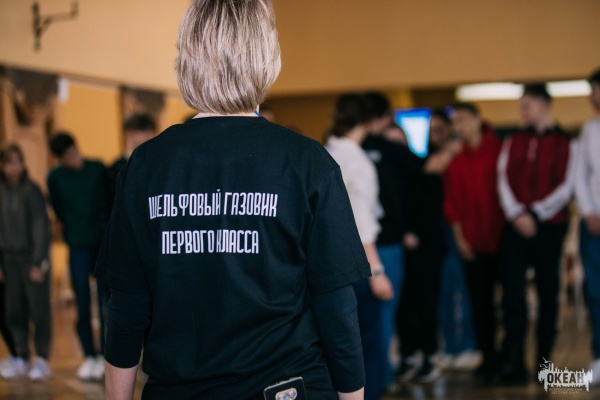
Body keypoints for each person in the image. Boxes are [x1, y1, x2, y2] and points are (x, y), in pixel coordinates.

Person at [96, 1, 368, 399]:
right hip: (287, 387)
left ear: (188, 55)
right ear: (265, 56)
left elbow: (126, 309)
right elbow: (337, 308)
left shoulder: (146, 165)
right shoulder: (306, 162)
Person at [495, 83, 578, 383]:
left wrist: (537, 213)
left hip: (549, 228)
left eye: (527, 106)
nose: (523, 112)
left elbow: (567, 185)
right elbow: (502, 177)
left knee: (547, 295)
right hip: (515, 227)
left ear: (544, 105)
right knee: (512, 295)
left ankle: (544, 364)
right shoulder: (513, 140)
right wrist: (516, 213)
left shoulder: (566, 142)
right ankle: (515, 361)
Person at [326, 93, 394, 400]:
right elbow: (360, 221)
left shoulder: (326, 152)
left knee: (341, 343)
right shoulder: (356, 159)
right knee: (368, 342)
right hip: (356, 263)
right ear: (368, 121)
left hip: (329, 265)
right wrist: (376, 270)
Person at [445, 103, 505, 380]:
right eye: (455, 122)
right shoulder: (456, 158)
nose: (459, 127)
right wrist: (460, 239)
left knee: (511, 301)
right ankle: (488, 357)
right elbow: (452, 202)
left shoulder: (500, 149)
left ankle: (511, 354)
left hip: (503, 239)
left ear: (477, 119)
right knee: (480, 303)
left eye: (463, 120)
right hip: (472, 241)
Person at [394, 110, 453, 383]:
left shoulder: (423, 166)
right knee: (406, 305)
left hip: (429, 245)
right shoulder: (396, 173)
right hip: (403, 246)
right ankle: (409, 354)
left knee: (428, 303)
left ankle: (430, 353)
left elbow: (431, 208)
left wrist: (414, 232)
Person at [47, 132, 108, 381]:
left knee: (105, 302)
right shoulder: (55, 178)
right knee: (81, 301)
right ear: (60, 159)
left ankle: (105, 354)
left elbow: (107, 200)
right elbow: (58, 209)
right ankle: (89, 355)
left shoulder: (97, 169)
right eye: (68, 157)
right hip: (77, 245)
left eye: (74, 152)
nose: (74, 158)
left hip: (101, 243)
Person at [0, 144, 51, 380]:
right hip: (9, 259)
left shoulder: (31, 190)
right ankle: (20, 355)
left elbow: (41, 226)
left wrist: (38, 261)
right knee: (14, 311)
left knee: (39, 311)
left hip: (31, 258)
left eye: (17, 161)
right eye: (9, 162)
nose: (14, 167)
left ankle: (42, 358)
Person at [575, 68, 600, 385]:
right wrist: (589, 212)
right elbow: (580, 175)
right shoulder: (590, 129)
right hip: (594, 225)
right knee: (596, 292)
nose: (593, 97)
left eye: (596, 90)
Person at [107, 113, 156, 213]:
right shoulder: (116, 169)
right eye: (144, 131)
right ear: (131, 133)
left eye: (151, 131)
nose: (150, 136)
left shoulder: (155, 164)